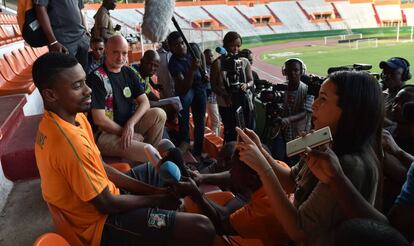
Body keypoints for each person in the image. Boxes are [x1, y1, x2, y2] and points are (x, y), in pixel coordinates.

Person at [33, 52, 215, 246]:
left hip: (108, 199)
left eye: (85, 82)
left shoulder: (72, 118)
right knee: (203, 228)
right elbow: (107, 203)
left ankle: (176, 212)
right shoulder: (68, 142)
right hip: (100, 225)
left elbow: (102, 168)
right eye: (77, 86)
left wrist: (155, 193)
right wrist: (157, 199)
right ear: (51, 95)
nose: (88, 90)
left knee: (161, 166)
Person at [236, 71, 384, 245]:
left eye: (323, 99)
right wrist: (261, 150)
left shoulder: (349, 165)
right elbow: (292, 180)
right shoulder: (326, 143)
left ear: (350, 109)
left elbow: (299, 229)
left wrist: (263, 169)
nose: (314, 105)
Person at [87, 35, 166, 163]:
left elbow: (145, 102)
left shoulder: (128, 72)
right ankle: (147, 158)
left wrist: (130, 124)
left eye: (124, 53)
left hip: (127, 126)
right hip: (105, 134)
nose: (120, 58)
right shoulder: (97, 77)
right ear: (106, 51)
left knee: (159, 114)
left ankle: (146, 160)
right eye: (115, 52)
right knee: (148, 153)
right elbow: (99, 119)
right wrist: (126, 132)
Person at [168, 31, 207, 158]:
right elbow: (183, 87)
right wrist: (192, 69)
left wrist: (204, 71)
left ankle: (198, 151)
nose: (181, 46)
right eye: (176, 44)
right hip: (187, 89)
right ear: (171, 48)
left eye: (182, 43)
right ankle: (184, 141)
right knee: (183, 108)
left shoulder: (193, 48)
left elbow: (202, 55)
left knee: (200, 121)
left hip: (200, 87)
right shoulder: (173, 63)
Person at [211, 31, 255, 142]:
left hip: (243, 102)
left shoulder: (244, 61)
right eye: (232, 45)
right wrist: (225, 95)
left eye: (238, 46)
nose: (236, 48)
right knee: (230, 132)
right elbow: (213, 85)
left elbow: (251, 81)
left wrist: (246, 85)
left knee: (245, 132)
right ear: (225, 45)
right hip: (226, 104)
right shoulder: (218, 63)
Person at [273, 58, 314, 165]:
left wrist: (287, 119)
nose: (292, 73)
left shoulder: (308, 90)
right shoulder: (280, 88)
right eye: (289, 70)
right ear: (284, 72)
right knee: (280, 162)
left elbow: (305, 112)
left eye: (296, 70)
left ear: (302, 72)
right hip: (282, 134)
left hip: (300, 136)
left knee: (298, 164)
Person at [34, 0, 90, 71]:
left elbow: (80, 9)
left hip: (81, 37)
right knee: (67, 75)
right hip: (64, 40)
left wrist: (86, 30)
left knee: (83, 73)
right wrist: (53, 41)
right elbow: (40, 8)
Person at [204, 48, 221, 137]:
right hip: (211, 99)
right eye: (208, 57)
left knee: (217, 121)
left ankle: (216, 140)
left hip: (217, 98)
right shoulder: (204, 70)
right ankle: (216, 142)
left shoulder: (214, 66)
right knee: (215, 121)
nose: (211, 58)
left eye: (211, 56)